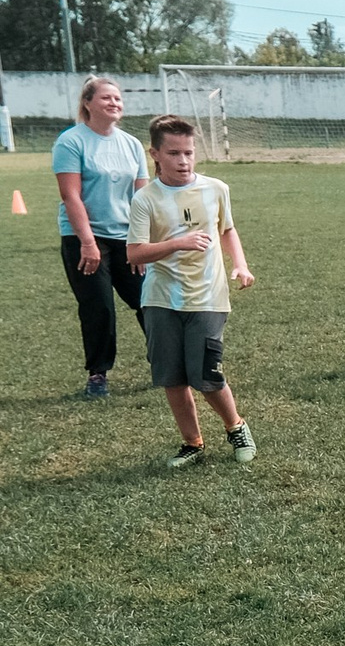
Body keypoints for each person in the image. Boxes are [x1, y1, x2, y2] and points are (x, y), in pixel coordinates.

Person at [126, 115, 256, 467]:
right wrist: (177, 243)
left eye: (189, 153)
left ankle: (236, 427)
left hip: (209, 297)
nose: (183, 161)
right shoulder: (145, 199)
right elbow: (135, 252)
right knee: (172, 377)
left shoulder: (216, 188)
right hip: (160, 299)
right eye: (174, 154)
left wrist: (240, 264)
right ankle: (192, 444)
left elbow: (227, 229)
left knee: (207, 375)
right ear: (155, 154)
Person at [51, 74, 150, 399]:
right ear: (88, 103)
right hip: (84, 238)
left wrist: (142, 242)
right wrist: (88, 243)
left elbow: (142, 196)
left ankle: (167, 363)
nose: (114, 103)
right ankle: (98, 375)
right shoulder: (71, 141)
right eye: (106, 98)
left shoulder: (132, 144)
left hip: (126, 237)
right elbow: (71, 196)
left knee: (148, 301)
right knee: (99, 307)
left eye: (118, 98)